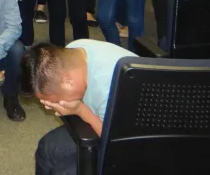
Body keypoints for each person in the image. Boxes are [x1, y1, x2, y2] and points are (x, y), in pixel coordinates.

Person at [29, 40, 136, 175]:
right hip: (104, 122)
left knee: (62, 172)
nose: (56, 104)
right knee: (46, 148)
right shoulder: (75, 50)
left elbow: (116, 143)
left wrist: (81, 110)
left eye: (57, 100)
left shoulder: (106, 89)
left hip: (133, 146)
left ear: (68, 81)